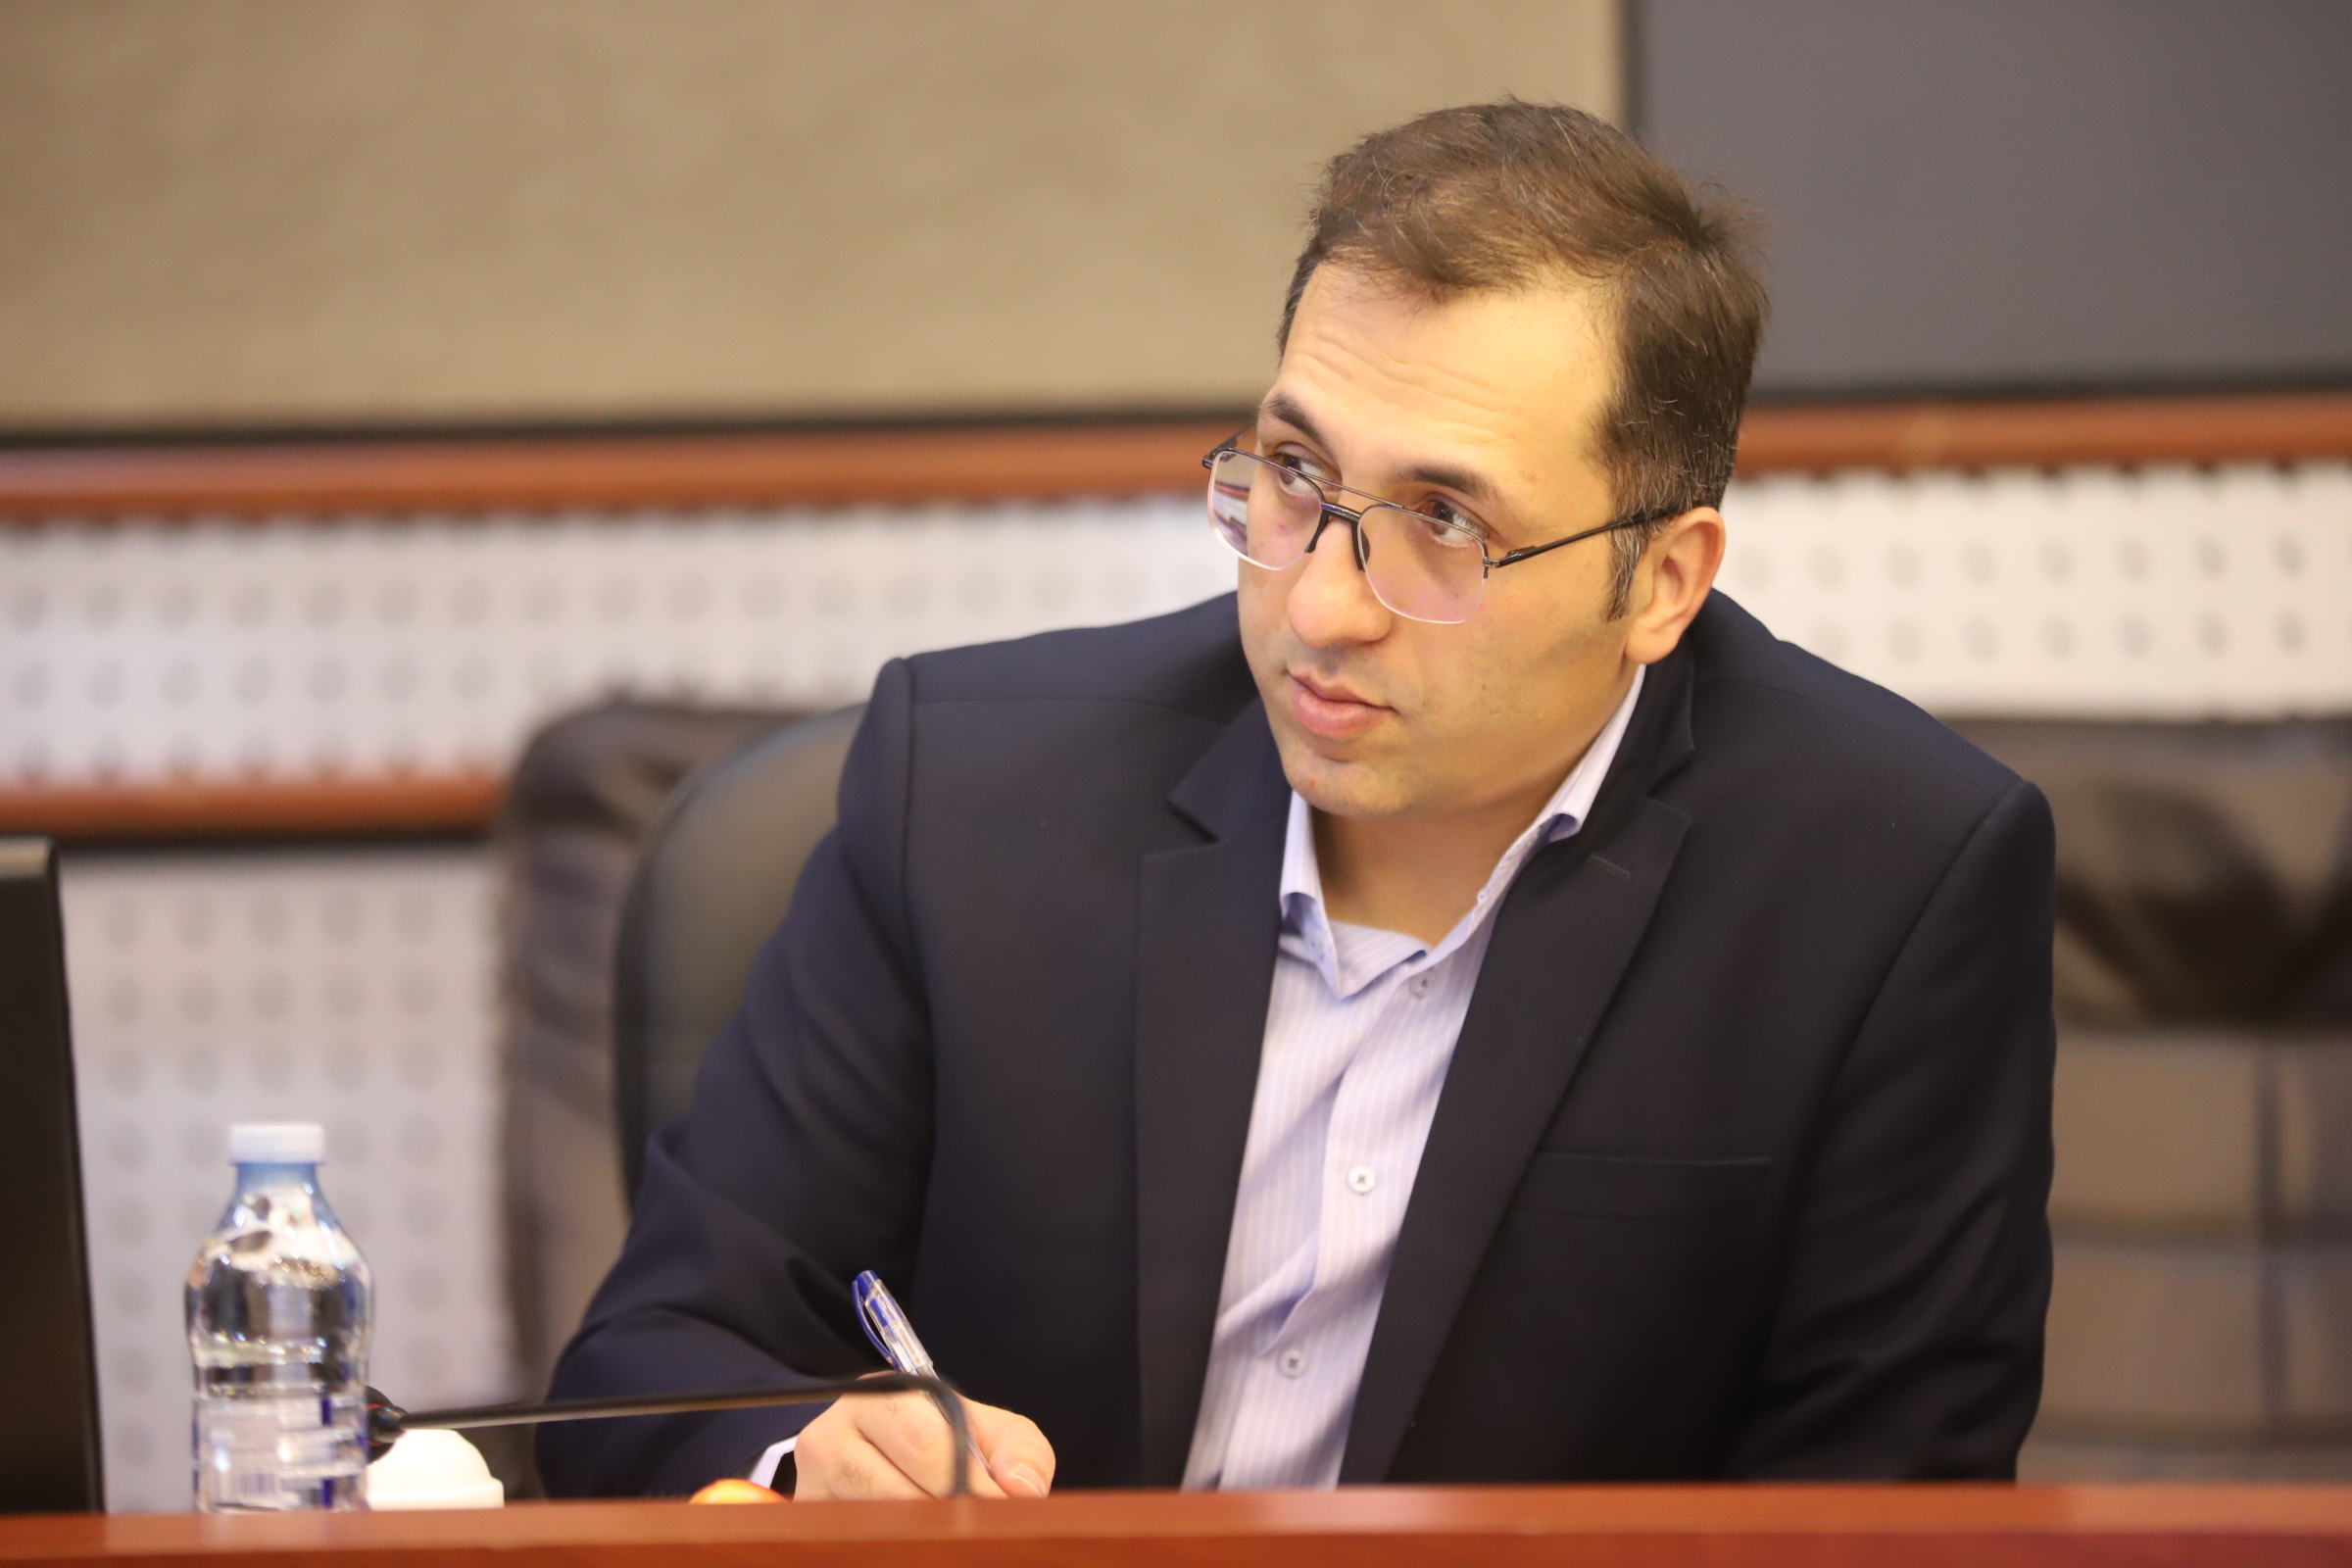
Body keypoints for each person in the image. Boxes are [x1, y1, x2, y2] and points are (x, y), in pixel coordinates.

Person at [540, 100, 2053, 1500]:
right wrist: (806, 1456)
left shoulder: (1891, 884)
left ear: (1661, 579)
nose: (1322, 607)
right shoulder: (972, 795)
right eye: (1293, 475)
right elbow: (658, 1357)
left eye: (1444, 521)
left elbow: (1889, 1511)